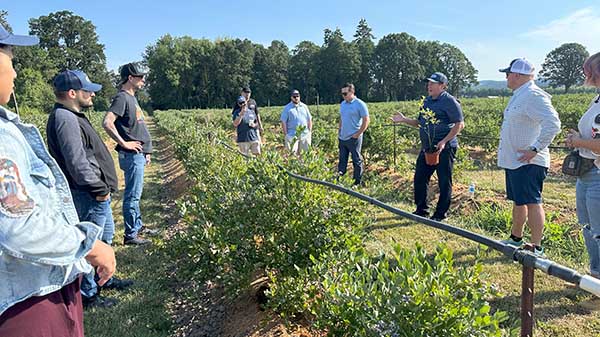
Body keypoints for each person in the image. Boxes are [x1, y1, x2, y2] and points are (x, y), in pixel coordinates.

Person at [0, 23, 115, 336]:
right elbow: (17, 227)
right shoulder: (60, 119)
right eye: (10, 57)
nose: (15, 72)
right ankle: (93, 291)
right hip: (29, 299)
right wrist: (88, 244)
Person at [46, 69, 133, 308]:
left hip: (94, 193)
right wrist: (98, 189)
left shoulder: (71, 115)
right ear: (72, 93)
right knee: (88, 245)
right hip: (87, 194)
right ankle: (88, 295)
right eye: (88, 91)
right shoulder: (64, 118)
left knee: (103, 240)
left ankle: (103, 279)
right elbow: (76, 162)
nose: (92, 95)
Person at [497, 58, 561, 256]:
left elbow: (553, 123)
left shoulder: (533, 96)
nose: (506, 77)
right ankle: (516, 238)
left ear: (517, 75)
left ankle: (536, 246)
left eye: (508, 74)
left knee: (533, 202)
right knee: (519, 201)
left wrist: (535, 148)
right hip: (516, 161)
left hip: (529, 162)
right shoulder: (520, 95)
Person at [392, 72, 465, 221]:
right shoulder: (426, 101)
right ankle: (421, 210)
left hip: (445, 148)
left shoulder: (450, 101)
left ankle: (440, 214)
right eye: (428, 83)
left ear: (442, 86)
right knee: (420, 177)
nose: (429, 86)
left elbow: (460, 124)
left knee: (444, 180)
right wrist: (404, 120)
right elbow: (420, 123)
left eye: (433, 83)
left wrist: (444, 141)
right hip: (428, 148)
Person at [103, 62, 153, 245]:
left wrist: (146, 150)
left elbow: (135, 126)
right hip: (131, 156)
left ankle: (137, 226)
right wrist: (124, 143)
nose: (143, 80)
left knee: (136, 193)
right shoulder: (122, 98)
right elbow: (107, 122)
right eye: (140, 77)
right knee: (132, 195)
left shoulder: (131, 97)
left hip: (137, 155)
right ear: (130, 78)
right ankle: (130, 235)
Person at [565, 52, 600, 278]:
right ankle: (595, 275)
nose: (585, 75)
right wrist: (577, 138)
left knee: (598, 230)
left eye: (588, 70)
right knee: (588, 228)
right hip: (587, 171)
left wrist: (577, 141)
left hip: (597, 173)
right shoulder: (596, 99)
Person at [338, 83, 369, 185]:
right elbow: (341, 118)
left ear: (352, 92)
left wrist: (358, 134)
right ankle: (339, 180)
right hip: (343, 137)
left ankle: (357, 182)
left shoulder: (360, 104)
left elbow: (366, 120)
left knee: (356, 160)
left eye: (345, 93)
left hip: (354, 138)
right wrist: (339, 131)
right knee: (342, 160)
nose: (343, 96)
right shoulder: (343, 104)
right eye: (342, 93)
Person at [280, 89, 312, 154]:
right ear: (291, 97)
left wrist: (309, 131)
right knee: (292, 155)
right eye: (294, 97)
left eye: (297, 96)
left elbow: (309, 119)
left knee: (305, 155)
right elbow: (283, 122)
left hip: (305, 135)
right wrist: (286, 134)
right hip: (292, 135)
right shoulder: (287, 108)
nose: (296, 98)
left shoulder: (304, 107)